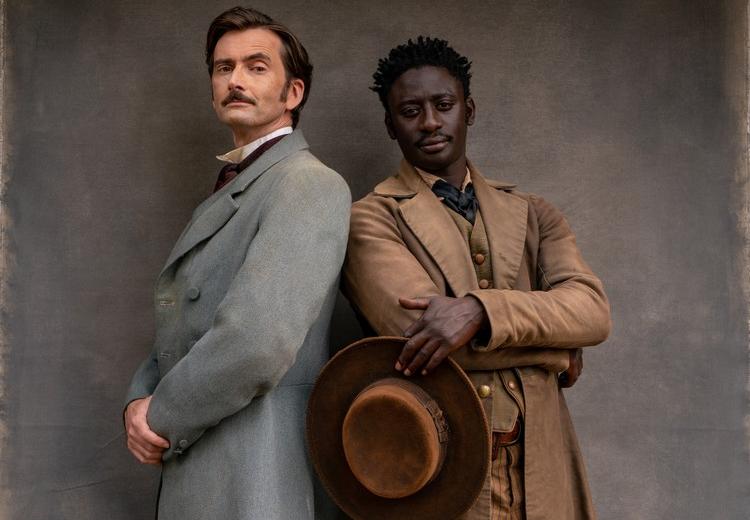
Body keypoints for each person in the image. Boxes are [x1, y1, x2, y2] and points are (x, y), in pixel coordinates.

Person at [342, 36, 611, 519]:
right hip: (444, 467)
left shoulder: (534, 213)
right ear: (390, 125)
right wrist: (558, 349)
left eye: (443, 105)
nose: (429, 122)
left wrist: (478, 312)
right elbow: (427, 340)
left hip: (544, 463)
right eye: (410, 111)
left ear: (468, 110)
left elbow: (592, 312)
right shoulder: (371, 218)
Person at [123, 7, 350, 519]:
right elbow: (182, 326)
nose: (235, 80)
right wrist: (137, 401)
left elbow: (256, 341)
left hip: (254, 475)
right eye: (223, 68)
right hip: (206, 467)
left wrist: (159, 415)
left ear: (293, 93)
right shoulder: (239, 186)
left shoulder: (308, 184)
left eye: (256, 66)